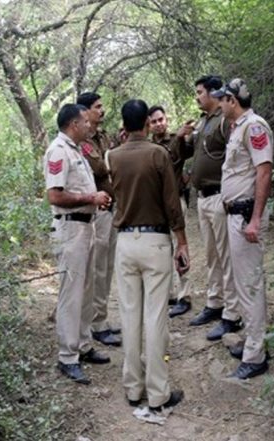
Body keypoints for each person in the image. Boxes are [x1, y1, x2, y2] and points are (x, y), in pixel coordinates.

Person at [107, 99, 187, 412]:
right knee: (155, 317)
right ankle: (158, 392)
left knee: (129, 316)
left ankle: (132, 387)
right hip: (155, 241)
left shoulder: (112, 155)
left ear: (124, 126)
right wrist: (182, 242)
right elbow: (172, 203)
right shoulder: (158, 154)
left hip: (125, 243)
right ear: (145, 124)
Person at [44, 103, 113, 384]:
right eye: (85, 121)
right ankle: (67, 355)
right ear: (73, 124)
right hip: (70, 228)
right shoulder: (58, 151)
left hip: (87, 226)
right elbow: (55, 196)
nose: (89, 125)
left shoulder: (77, 150)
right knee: (71, 294)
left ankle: (83, 344)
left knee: (87, 290)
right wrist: (90, 199)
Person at [212, 78, 273, 379]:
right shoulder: (238, 128)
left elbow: (264, 173)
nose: (219, 104)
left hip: (246, 215)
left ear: (232, 101)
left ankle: (255, 355)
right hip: (235, 215)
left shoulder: (254, 126)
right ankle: (253, 341)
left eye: (222, 99)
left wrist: (256, 219)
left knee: (250, 286)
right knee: (242, 283)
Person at [176, 75, 241, 342]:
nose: (197, 96)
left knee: (227, 256)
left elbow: (235, 156)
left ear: (214, 93)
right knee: (212, 254)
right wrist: (181, 137)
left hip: (219, 197)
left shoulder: (226, 121)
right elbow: (191, 151)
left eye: (200, 92)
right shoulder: (203, 122)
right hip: (202, 199)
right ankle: (215, 303)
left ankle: (233, 314)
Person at [76, 92, 122, 347]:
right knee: (98, 268)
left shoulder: (104, 137)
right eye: (97, 107)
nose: (102, 111)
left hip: (111, 208)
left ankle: (100, 319)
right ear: (85, 111)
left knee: (107, 266)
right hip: (97, 213)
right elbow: (101, 168)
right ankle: (95, 323)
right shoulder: (82, 141)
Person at [148, 105, 193, 317]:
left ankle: (184, 295)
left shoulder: (178, 139)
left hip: (175, 201)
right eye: (153, 121)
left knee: (180, 246)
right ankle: (168, 294)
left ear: (166, 119)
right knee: (160, 250)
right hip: (155, 205)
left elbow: (175, 157)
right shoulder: (146, 145)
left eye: (160, 119)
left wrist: (182, 137)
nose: (158, 124)